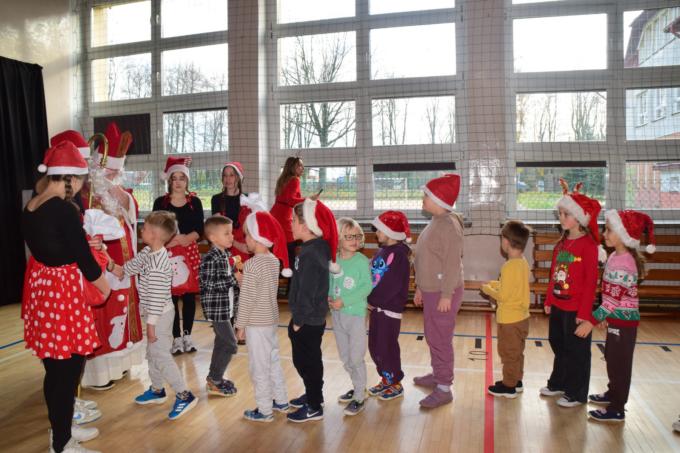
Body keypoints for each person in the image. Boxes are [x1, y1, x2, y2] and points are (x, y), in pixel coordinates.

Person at [22, 141, 110, 453]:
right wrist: (105, 287)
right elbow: (83, 259)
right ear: (70, 177)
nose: (83, 185)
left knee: (55, 369)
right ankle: (61, 443)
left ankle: (62, 429)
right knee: (67, 370)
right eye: (82, 179)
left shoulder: (32, 205)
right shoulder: (62, 209)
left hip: (44, 292)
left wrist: (82, 243)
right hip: (63, 295)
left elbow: (57, 245)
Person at [112, 211, 198, 420]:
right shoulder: (147, 252)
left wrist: (151, 325)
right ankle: (158, 390)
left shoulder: (160, 264)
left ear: (155, 235)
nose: (142, 230)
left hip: (159, 316)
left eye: (146, 228)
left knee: (161, 356)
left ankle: (184, 395)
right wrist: (105, 260)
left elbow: (158, 300)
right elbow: (126, 270)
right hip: (153, 314)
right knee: (152, 354)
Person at [80, 122, 144, 390]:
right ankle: (100, 374)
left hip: (125, 268)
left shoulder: (119, 194)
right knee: (105, 316)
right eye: (109, 172)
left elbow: (132, 215)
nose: (113, 176)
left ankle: (121, 364)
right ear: (96, 169)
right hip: (103, 269)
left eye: (117, 172)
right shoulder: (86, 196)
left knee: (123, 312)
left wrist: (120, 194)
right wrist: (108, 263)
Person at [576, 210, 654, 423]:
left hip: (625, 323)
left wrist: (591, 321)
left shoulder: (625, 263)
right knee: (612, 358)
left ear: (624, 234)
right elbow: (608, 294)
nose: (604, 233)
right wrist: (604, 316)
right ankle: (613, 393)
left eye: (609, 230)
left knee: (620, 364)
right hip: (616, 319)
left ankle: (617, 408)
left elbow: (613, 300)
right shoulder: (614, 257)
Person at [540, 179, 602, 408]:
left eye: (566, 214)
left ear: (579, 218)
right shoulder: (561, 244)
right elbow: (554, 275)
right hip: (558, 303)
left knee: (577, 351)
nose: (562, 217)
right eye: (560, 213)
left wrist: (585, 313)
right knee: (558, 343)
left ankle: (576, 392)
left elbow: (590, 282)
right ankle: (559, 382)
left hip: (576, 308)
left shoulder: (588, 245)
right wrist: (549, 299)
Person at [413, 175, 465, 408]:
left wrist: (446, 294)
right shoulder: (436, 221)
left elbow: (452, 264)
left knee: (441, 338)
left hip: (444, 292)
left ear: (439, 200)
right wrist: (420, 287)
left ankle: (444, 387)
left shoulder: (449, 226)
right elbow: (425, 258)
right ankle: (437, 374)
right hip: (431, 290)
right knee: (433, 335)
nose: (423, 198)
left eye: (426, 195)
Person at [235, 211, 292, 422]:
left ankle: (265, 409)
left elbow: (248, 298)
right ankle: (281, 400)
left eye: (247, 235)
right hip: (270, 320)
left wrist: (240, 325)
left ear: (257, 237)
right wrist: (244, 280)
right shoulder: (273, 261)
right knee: (273, 360)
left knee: (258, 367)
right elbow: (262, 287)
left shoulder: (251, 265)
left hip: (256, 323)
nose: (245, 240)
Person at [286, 198, 339, 423]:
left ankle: (314, 406)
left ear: (306, 225)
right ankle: (313, 394)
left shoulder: (311, 253)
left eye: (293, 221)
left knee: (307, 362)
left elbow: (308, 290)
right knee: (306, 361)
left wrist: (298, 320)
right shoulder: (311, 248)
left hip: (307, 318)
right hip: (308, 316)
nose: (290, 224)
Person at [153, 157, 204, 354]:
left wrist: (186, 238)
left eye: (182, 178)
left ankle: (187, 335)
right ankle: (175, 338)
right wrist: (170, 241)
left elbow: (199, 228)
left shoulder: (195, 202)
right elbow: (155, 227)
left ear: (187, 180)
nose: (178, 182)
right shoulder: (161, 202)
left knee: (189, 296)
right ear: (169, 180)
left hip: (189, 251)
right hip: (167, 253)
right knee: (171, 297)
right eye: (174, 178)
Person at [482, 220, 532, 399]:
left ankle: (509, 386)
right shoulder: (522, 262)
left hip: (510, 320)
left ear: (506, 241)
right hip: (522, 317)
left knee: (509, 353)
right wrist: (495, 284)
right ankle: (516, 381)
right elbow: (512, 287)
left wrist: (487, 289)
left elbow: (503, 295)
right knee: (517, 352)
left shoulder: (509, 266)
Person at [329, 217, 372, 416]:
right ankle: (358, 386)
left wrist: (345, 301)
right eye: (349, 237)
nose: (354, 240)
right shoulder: (334, 261)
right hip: (337, 316)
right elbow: (331, 283)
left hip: (355, 316)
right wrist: (329, 296)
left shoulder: (361, 261)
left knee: (356, 357)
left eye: (357, 236)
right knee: (345, 358)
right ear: (337, 239)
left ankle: (359, 396)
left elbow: (366, 287)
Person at [367, 210, 411, 401]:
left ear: (390, 232)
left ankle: (395, 383)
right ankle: (386, 378)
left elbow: (391, 285)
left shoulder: (399, 255)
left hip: (389, 309)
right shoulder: (383, 251)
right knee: (375, 346)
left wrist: (372, 300)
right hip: (377, 308)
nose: (376, 233)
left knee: (387, 347)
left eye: (379, 230)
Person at [199, 215, 240, 397]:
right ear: (213, 238)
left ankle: (214, 378)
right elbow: (208, 284)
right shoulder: (211, 258)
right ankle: (215, 378)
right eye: (227, 233)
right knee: (230, 344)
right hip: (217, 309)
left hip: (226, 307)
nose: (232, 236)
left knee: (221, 342)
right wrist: (234, 279)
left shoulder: (226, 255)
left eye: (231, 232)